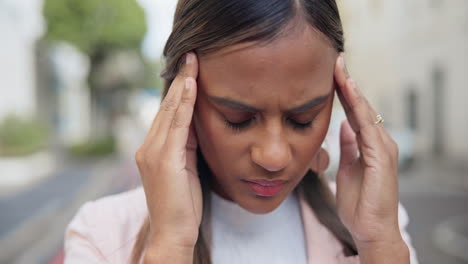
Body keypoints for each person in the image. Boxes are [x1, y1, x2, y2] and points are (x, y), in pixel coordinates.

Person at [64, 0, 419, 263]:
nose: (274, 156)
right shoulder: (102, 235)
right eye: (237, 118)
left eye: (304, 119)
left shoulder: (379, 227)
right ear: (183, 97)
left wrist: (380, 245)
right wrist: (170, 245)